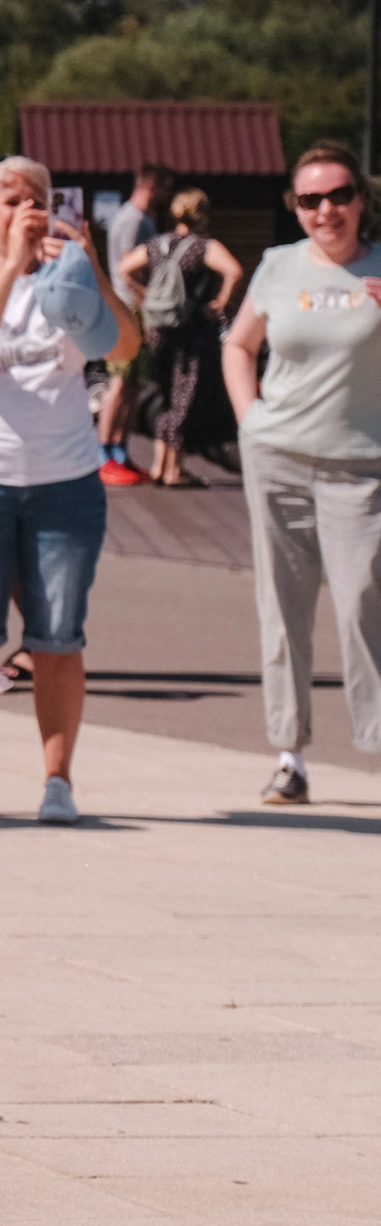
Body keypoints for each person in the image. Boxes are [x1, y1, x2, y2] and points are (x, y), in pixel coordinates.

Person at [0, 156, 138, 825]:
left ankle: (58, 781)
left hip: (64, 481)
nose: (28, 210)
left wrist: (91, 267)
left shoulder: (68, 286)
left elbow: (125, 345)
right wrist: (12, 265)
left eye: (38, 199)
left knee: (59, 637)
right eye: (12, 200)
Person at [223, 140, 381, 807]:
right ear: (295, 207)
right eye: (310, 199)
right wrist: (249, 418)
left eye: (339, 195)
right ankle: (290, 755)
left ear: (362, 200)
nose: (326, 210)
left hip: (361, 465)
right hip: (278, 456)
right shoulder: (278, 267)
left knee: (363, 604)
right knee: (282, 608)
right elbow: (239, 342)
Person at [121, 189, 242, 488]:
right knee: (185, 398)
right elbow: (234, 270)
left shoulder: (157, 244)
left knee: (164, 396)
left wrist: (145, 297)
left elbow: (124, 270)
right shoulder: (203, 247)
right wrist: (221, 301)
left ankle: (159, 465)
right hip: (192, 333)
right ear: (201, 214)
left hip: (159, 331)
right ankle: (174, 470)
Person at [97, 163, 173, 485]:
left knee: (133, 386)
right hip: (126, 311)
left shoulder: (144, 219)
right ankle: (103, 455)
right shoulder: (131, 219)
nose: (168, 196)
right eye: (166, 188)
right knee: (118, 384)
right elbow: (130, 267)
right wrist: (148, 301)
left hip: (137, 311)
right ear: (152, 185)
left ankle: (121, 453)